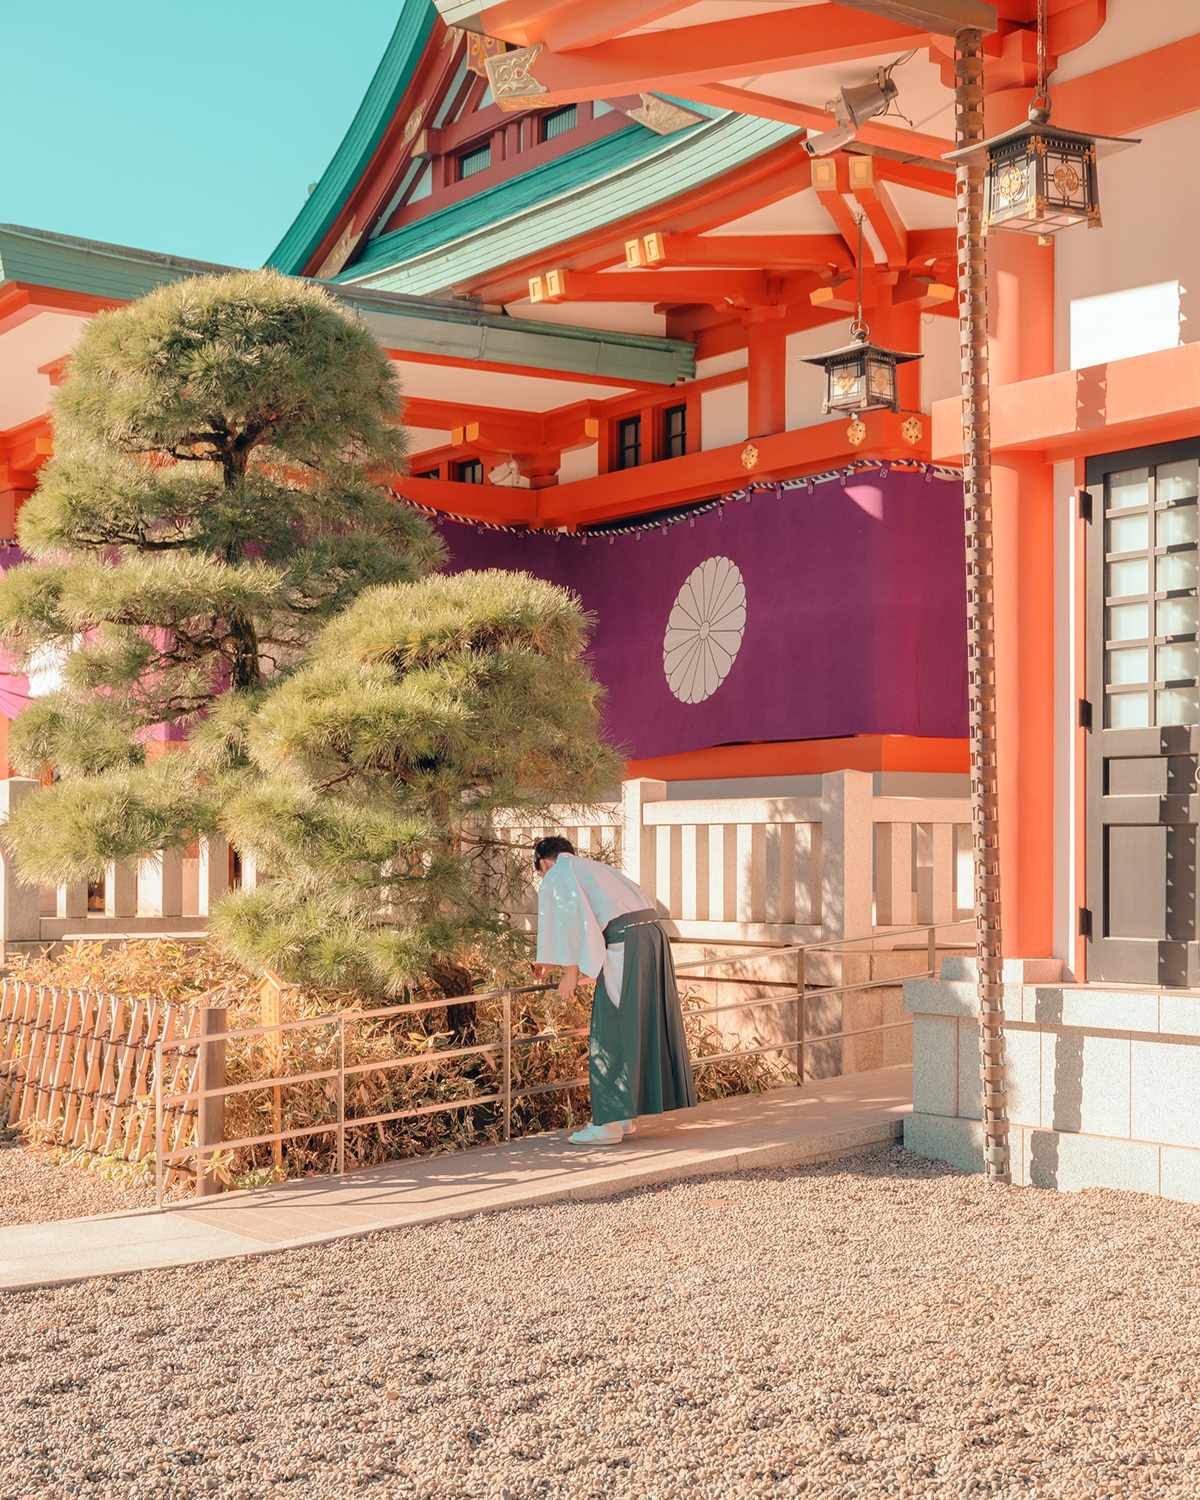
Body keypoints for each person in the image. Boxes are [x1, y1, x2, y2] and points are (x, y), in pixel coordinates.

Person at [532, 836, 697, 1144]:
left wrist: (569, 974)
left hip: (626, 942)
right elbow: (592, 917)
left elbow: (572, 922)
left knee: (610, 1028)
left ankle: (607, 1125)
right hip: (650, 937)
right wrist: (551, 964)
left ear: (543, 861)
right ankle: (624, 1116)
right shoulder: (592, 867)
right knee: (636, 1023)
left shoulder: (557, 872)